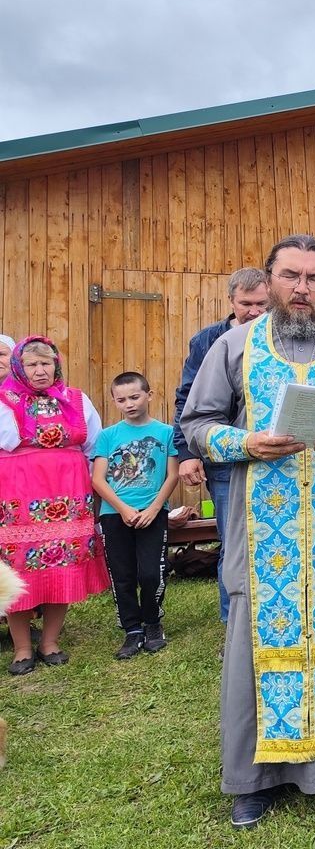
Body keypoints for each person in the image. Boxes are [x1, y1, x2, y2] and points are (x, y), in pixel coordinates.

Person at [181, 234, 315, 829]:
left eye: (314, 278)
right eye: (290, 276)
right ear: (271, 281)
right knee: (257, 646)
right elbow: (198, 422)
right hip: (264, 529)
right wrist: (244, 442)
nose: (302, 289)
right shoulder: (235, 346)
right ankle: (253, 781)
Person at [0, 337, 109, 676]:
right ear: (21, 367)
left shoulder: (75, 399)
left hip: (67, 494)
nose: (40, 370)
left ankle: (49, 641)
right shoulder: (4, 400)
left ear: (56, 365)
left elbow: (94, 444)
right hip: (18, 495)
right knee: (17, 567)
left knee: (61, 561)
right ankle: (21, 647)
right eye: (32, 364)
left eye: (46, 363)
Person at [173, 267, 269, 625]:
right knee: (234, 546)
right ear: (231, 302)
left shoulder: (282, 338)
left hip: (274, 456)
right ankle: (236, 628)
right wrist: (186, 454)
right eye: (247, 304)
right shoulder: (208, 341)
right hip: (225, 458)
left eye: (262, 304)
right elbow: (187, 399)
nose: (255, 312)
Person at [91, 372, 179, 660]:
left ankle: (152, 622)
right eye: (121, 399)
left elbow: (172, 474)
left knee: (152, 572)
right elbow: (98, 480)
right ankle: (132, 629)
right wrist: (123, 509)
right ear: (115, 402)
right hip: (115, 515)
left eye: (134, 396)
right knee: (123, 574)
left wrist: (154, 508)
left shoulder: (166, 433)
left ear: (149, 395)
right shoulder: (107, 436)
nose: (128, 403)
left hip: (153, 513)